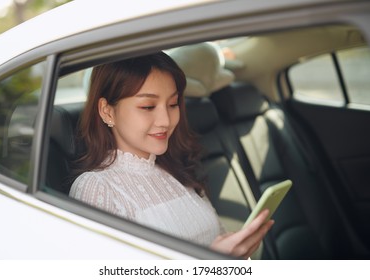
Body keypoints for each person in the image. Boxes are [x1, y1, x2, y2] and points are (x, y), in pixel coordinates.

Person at [69, 52, 274, 259]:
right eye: (148, 106)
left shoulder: (175, 168)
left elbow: (218, 240)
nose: (165, 120)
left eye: (173, 104)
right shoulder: (96, 188)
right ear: (106, 111)